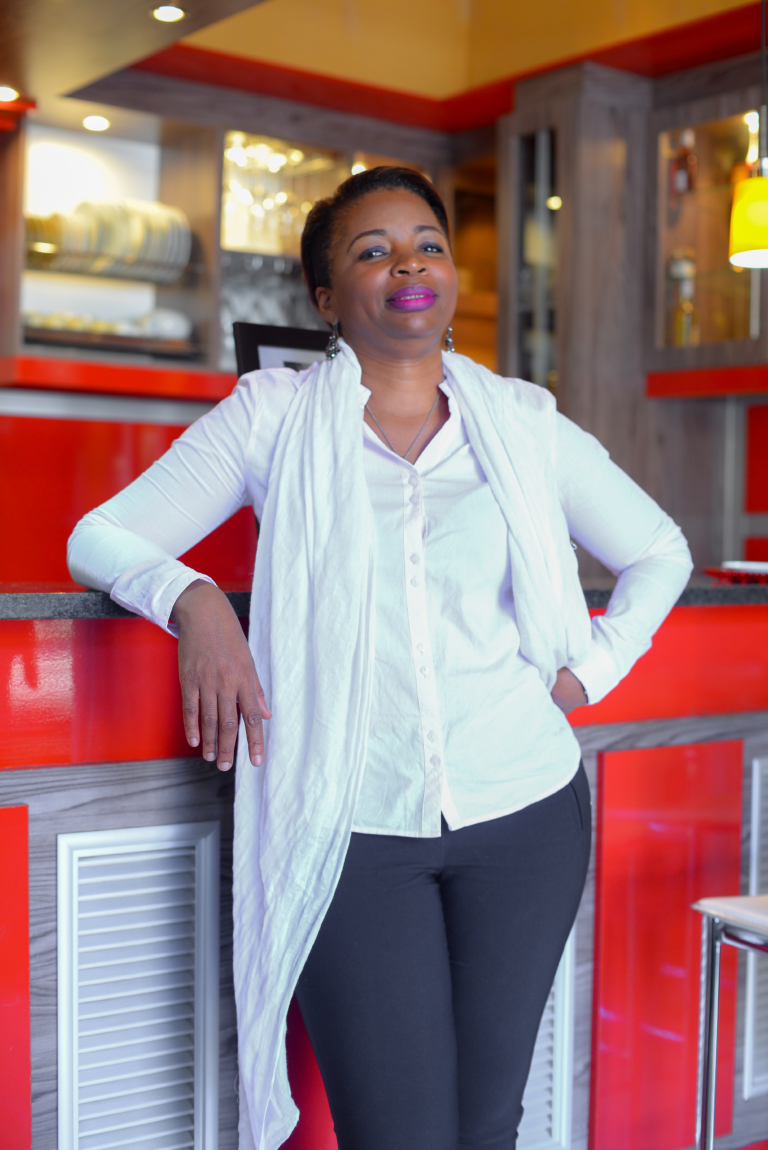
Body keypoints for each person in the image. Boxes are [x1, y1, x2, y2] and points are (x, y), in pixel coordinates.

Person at [68, 166, 693, 1150]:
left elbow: (659, 550)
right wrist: (195, 601)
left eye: (427, 244)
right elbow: (100, 537)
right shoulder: (271, 415)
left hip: (525, 811)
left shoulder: (523, 422)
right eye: (375, 250)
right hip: (349, 822)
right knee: (395, 1131)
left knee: (486, 1125)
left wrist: (589, 673)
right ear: (327, 300)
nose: (409, 264)